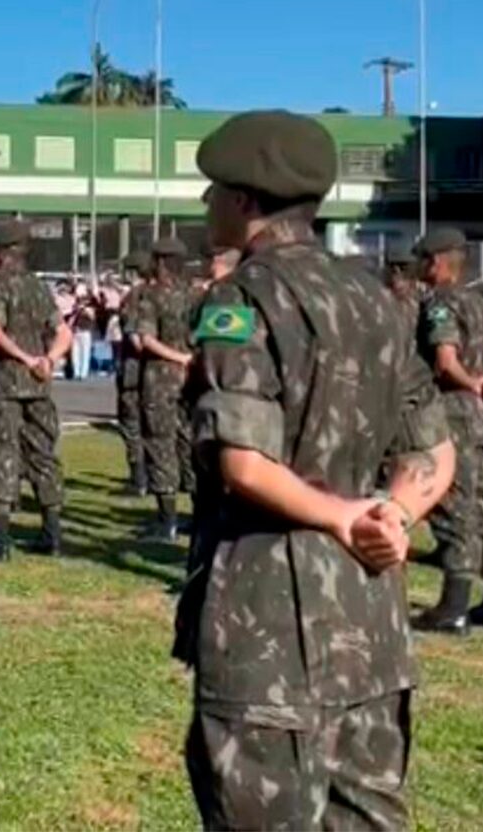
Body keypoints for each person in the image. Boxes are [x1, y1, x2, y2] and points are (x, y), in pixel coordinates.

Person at [179, 110, 453, 830]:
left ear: (244, 202)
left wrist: (341, 515)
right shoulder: (379, 302)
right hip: (369, 626)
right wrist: (390, 515)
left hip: (265, 622)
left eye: (214, 192)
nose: (206, 205)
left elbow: (243, 462)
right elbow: (434, 449)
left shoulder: (237, 301)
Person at [407, 227, 483, 635]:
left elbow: (445, 360)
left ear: (435, 263)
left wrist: (470, 383)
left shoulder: (440, 303)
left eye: (421, 260)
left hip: (454, 418)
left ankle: (452, 608)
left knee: (455, 510)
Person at [0, 220, 72, 560]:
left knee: (2, 451)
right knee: (44, 454)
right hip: (39, 384)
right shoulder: (39, 287)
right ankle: (52, 533)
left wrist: (26, 358)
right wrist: (48, 359)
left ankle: (0, 538)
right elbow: (64, 333)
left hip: (7, 380)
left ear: (1, 252)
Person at [129, 238, 198, 542]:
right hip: (192, 378)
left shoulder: (151, 296)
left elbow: (145, 339)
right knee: (190, 446)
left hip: (160, 378)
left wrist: (176, 356)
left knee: (160, 446)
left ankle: (167, 520)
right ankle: (196, 516)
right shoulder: (197, 296)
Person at [115, 251, 151, 495]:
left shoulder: (134, 298)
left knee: (132, 425)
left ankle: (139, 478)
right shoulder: (166, 293)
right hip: (163, 372)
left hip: (134, 369)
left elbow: (135, 337)